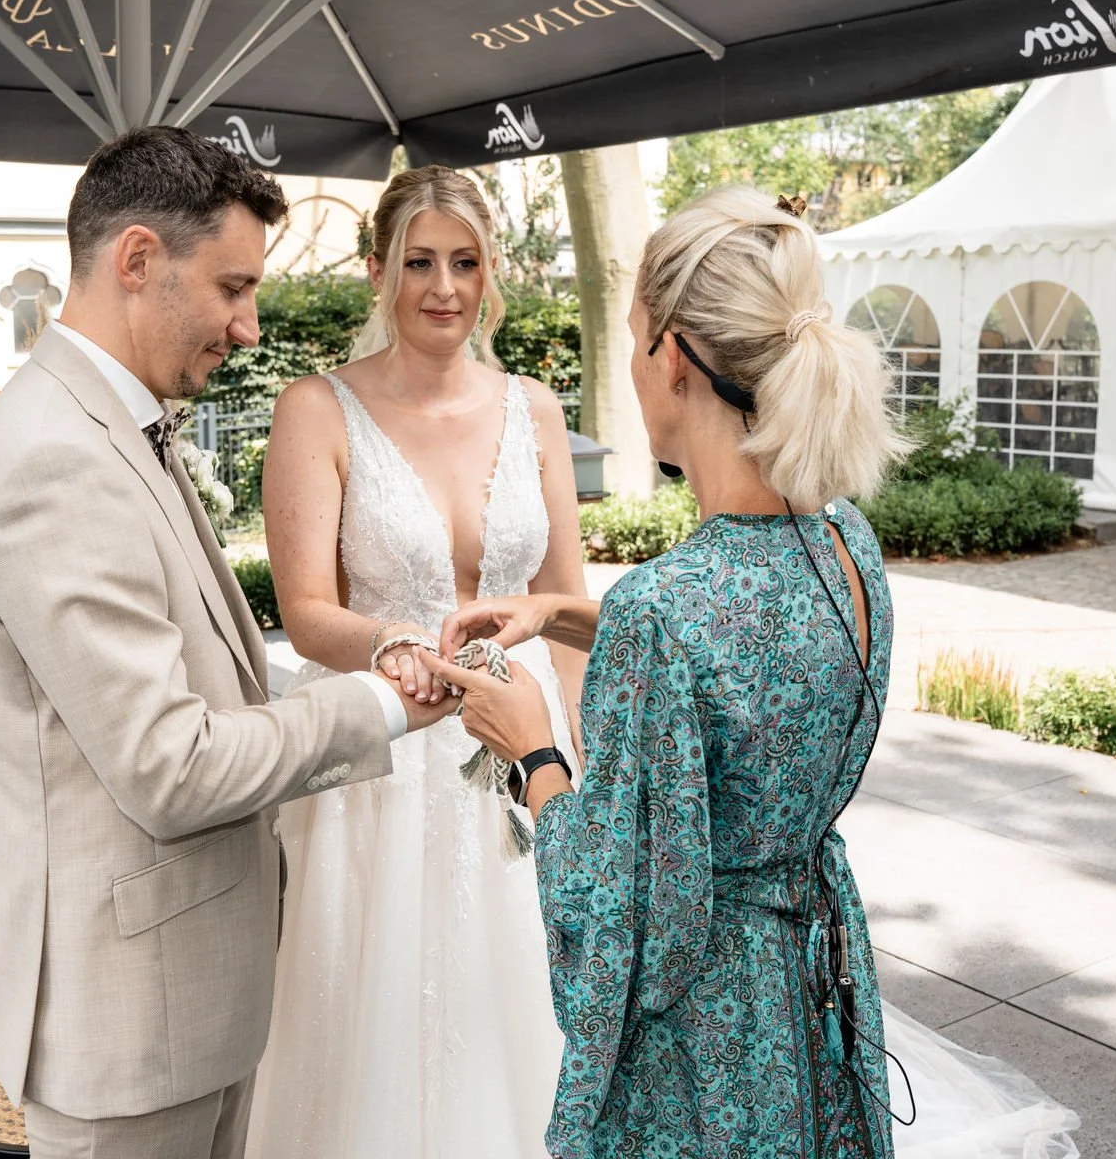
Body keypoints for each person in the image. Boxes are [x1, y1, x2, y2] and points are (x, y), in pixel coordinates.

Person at [426, 189, 1079, 1159]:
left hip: (710, 1041)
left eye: (635, 339)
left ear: (674, 356)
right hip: (818, 986)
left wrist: (532, 752)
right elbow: (749, 662)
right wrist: (561, 611)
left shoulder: (665, 606)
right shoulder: (845, 540)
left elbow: (613, 918)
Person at [0, 126, 449, 1159]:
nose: (248, 327)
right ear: (137, 259)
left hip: (184, 1004)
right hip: (128, 1031)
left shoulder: (108, 426)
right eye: (232, 287)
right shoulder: (53, 459)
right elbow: (170, 766)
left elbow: (203, 679)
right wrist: (382, 704)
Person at [247, 165, 589, 1158]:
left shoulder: (536, 409)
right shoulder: (316, 408)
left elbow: (566, 607)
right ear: (377, 271)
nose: (444, 287)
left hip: (521, 748)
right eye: (419, 262)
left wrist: (587, 758)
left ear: (491, 273)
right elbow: (306, 612)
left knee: (522, 995)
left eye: (465, 263)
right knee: (376, 1009)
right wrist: (391, 644)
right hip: (381, 756)